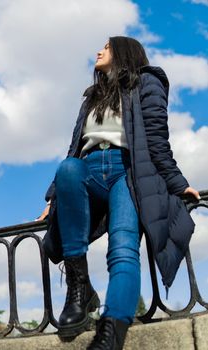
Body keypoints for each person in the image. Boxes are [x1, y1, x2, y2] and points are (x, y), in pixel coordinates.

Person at [38, 36, 199, 350]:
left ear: (124, 52)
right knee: (68, 167)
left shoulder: (147, 83)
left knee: (124, 248)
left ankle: (111, 333)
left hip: (128, 170)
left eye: (107, 47)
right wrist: (54, 197)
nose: (98, 51)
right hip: (89, 168)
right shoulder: (92, 96)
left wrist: (177, 182)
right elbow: (74, 148)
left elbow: (156, 138)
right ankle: (80, 289)